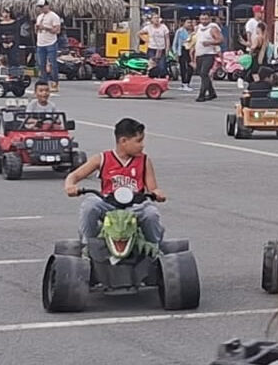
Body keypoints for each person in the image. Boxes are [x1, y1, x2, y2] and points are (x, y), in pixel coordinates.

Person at [65, 118, 166, 246]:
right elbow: (74, 175)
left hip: (135, 206)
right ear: (123, 141)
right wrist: (70, 186)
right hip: (109, 204)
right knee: (89, 205)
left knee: (151, 213)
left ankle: (154, 247)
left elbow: (153, 189)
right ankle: (87, 244)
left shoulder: (144, 161)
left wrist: (157, 193)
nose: (142, 145)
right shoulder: (102, 158)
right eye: (138, 141)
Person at [193, 12, 222, 102]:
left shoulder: (213, 28)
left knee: (204, 73)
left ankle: (201, 95)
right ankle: (212, 92)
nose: (204, 21)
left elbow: (220, 39)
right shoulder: (198, 28)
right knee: (201, 74)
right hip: (199, 54)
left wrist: (210, 43)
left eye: (206, 19)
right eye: (202, 19)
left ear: (209, 19)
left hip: (209, 54)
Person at [35, 0, 62, 84]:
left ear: (47, 6)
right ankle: (44, 81)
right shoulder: (39, 17)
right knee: (41, 63)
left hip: (50, 42)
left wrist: (46, 28)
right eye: (40, 7)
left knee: (52, 63)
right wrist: (36, 28)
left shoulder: (54, 16)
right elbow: (36, 31)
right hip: (40, 42)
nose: (41, 9)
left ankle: (54, 81)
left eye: (42, 7)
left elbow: (57, 30)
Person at [141, 13, 170, 78]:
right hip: (152, 48)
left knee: (162, 66)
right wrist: (146, 40)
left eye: (157, 18)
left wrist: (167, 49)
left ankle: (162, 79)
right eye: (155, 18)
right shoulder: (148, 27)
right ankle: (152, 79)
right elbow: (139, 33)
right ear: (151, 20)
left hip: (161, 49)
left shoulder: (164, 27)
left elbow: (167, 39)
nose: (156, 19)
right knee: (152, 65)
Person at [172, 18, 194, 92]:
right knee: (183, 67)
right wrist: (175, 52)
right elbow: (175, 42)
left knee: (190, 67)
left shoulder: (194, 31)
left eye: (190, 22)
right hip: (182, 49)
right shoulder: (180, 31)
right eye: (188, 22)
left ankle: (187, 82)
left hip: (191, 50)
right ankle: (184, 83)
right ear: (184, 23)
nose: (189, 24)